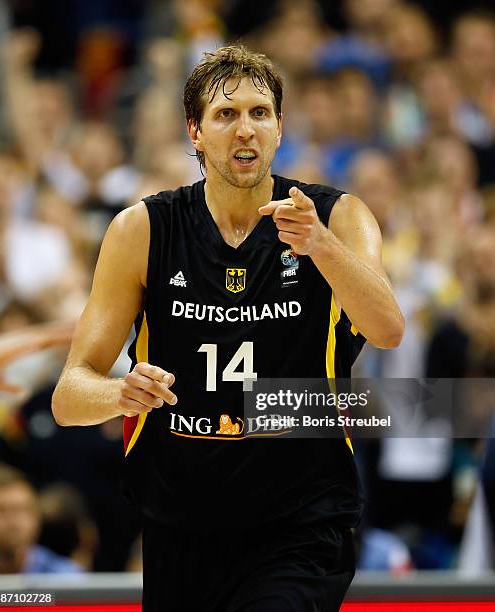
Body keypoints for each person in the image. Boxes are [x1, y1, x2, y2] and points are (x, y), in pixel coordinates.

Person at [52, 45, 404, 612]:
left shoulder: (335, 217)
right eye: (226, 115)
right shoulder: (143, 229)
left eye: (260, 113)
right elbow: (69, 397)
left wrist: (320, 247)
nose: (246, 130)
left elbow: (388, 328)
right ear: (195, 131)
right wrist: (119, 393)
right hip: (181, 520)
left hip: (300, 517)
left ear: (281, 126)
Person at [0, 464, 82, 574]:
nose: (12, 521)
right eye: (1, 510)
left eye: (21, 509)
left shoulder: (67, 580)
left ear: (36, 518)